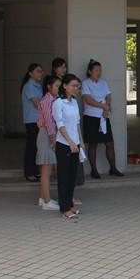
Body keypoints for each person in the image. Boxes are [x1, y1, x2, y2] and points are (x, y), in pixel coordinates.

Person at [81, 59, 123, 179]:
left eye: (100, 70)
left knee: (109, 142)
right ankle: (94, 170)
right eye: (96, 70)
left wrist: (106, 108)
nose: (99, 72)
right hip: (91, 117)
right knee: (93, 144)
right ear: (90, 71)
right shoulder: (85, 83)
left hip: (103, 117)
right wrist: (103, 106)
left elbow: (108, 97)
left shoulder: (103, 82)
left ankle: (113, 168)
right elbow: (88, 100)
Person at [52, 74, 84, 219]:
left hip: (75, 144)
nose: (75, 88)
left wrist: (80, 141)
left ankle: (70, 204)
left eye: (77, 86)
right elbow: (60, 125)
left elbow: (77, 123)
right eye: (73, 85)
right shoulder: (58, 103)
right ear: (64, 86)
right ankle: (64, 208)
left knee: (72, 177)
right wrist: (70, 142)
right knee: (64, 177)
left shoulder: (74, 102)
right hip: (64, 144)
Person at [36, 75, 61, 210]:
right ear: (49, 87)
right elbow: (49, 122)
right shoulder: (46, 101)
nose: (58, 88)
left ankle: (43, 198)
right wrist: (54, 140)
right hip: (47, 135)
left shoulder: (55, 100)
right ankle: (47, 201)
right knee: (46, 169)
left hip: (50, 135)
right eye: (56, 86)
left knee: (48, 169)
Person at [21, 63, 44, 182]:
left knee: (37, 146)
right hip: (32, 120)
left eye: (41, 71)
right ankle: (29, 172)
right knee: (31, 146)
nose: (40, 73)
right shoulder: (29, 86)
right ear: (30, 73)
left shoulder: (38, 85)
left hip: (38, 119)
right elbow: (37, 103)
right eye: (38, 71)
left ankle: (35, 170)